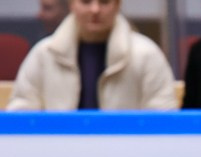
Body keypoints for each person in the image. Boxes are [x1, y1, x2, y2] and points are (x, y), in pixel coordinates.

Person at [7, 0, 177, 111]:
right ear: (72, 4)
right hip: (59, 156)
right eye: (86, 1)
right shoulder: (44, 55)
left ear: (118, 5)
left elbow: (164, 118)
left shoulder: (147, 55)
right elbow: (22, 115)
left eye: (104, 2)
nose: (95, 9)